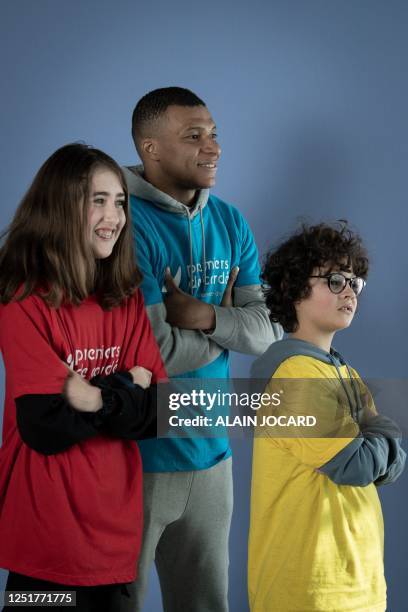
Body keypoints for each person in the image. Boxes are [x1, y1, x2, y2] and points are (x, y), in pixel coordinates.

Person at [122, 86, 282, 611]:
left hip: (214, 458)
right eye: (193, 137)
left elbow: (266, 334)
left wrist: (203, 314)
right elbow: (154, 355)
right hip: (134, 460)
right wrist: (226, 332)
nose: (212, 147)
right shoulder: (122, 226)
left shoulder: (231, 222)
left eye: (213, 134)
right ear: (152, 149)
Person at [0, 143, 166, 611]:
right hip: (44, 548)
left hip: (115, 543)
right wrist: (124, 386)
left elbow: (159, 415)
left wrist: (94, 399)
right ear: (60, 206)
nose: (113, 216)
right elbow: (45, 426)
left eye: (119, 202)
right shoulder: (24, 298)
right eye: (98, 200)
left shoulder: (125, 297)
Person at [248, 222, 406, 612]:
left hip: (360, 585)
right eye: (335, 280)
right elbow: (356, 463)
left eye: (355, 282)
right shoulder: (295, 375)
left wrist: (376, 436)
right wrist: (380, 429)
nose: (350, 290)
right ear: (294, 288)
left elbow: (394, 465)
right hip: (309, 589)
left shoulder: (343, 372)